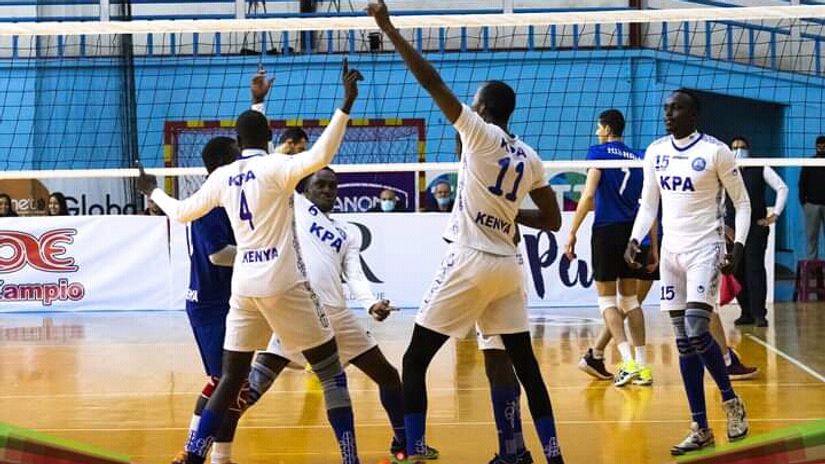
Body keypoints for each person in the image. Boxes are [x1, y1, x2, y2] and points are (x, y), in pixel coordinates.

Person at [137, 60, 365, 464]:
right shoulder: (277, 167)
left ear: (237, 141)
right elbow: (322, 152)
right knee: (330, 373)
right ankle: (351, 459)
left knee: (229, 379)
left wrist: (153, 192)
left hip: (244, 288)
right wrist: (345, 103)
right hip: (284, 283)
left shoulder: (222, 177)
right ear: (272, 136)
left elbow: (182, 212)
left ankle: (193, 456)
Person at [368, 2, 565, 463]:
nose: (466, 111)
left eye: (473, 105)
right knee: (519, 366)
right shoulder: (531, 156)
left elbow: (432, 81)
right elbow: (553, 222)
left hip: (470, 258)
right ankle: (538, 454)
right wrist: (513, 217)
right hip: (507, 268)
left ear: (482, 109)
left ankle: (414, 452)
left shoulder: (478, 132)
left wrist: (388, 28)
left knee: (415, 360)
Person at [243, 167, 438, 463]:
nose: (327, 190)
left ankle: (402, 442)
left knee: (388, 376)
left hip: (338, 316)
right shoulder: (295, 207)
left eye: (332, 186)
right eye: (320, 184)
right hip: (299, 310)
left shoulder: (346, 232)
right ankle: (211, 437)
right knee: (253, 386)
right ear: (305, 189)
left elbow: (355, 274)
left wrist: (371, 303)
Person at [625, 89, 750, 455]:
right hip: (671, 255)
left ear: (694, 114)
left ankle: (731, 402)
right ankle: (701, 427)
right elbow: (649, 203)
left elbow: (742, 203)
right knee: (683, 343)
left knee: (697, 331)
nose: (669, 114)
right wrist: (636, 239)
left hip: (705, 251)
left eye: (677, 108)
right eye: (666, 108)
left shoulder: (715, 151)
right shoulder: (655, 151)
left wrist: (738, 247)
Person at [564, 109, 651, 387]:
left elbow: (589, 194)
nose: (596, 131)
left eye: (598, 126)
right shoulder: (639, 156)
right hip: (633, 232)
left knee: (607, 302)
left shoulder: (598, 152)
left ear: (606, 128)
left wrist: (572, 231)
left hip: (606, 231)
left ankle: (626, 363)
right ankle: (643, 367)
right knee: (630, 300)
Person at [172, 136, 240, 464]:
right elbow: (218, 255)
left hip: (225, 301)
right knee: (223, 382)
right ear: (225, 163)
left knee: (228, 382)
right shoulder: (210, 201)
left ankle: (211, 455)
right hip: (210, 304)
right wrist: (261, 256)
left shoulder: (226, 195)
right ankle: (193, 451)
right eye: (238, 157)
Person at [727, 136, 788, 327]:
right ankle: (745, 312)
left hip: (755, 227)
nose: (738, 150)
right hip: (732, 229)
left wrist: (774, 215)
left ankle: (759, 314)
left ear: (749, 149)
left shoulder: (760, 166)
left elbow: (782, 188)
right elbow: (718, 197)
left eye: (742, 147)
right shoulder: (726, 170)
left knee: (754, 269)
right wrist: (721, 224)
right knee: (736, 270)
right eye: (735, 147)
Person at [799, 135, 825, 259]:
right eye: (819, 145)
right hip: (812, 205)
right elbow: (802, 183)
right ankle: (813, 268)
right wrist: (804, 202)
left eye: (823, 145)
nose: (821, 147)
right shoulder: (810, 162)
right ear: (816, 146)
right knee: (811, 237)